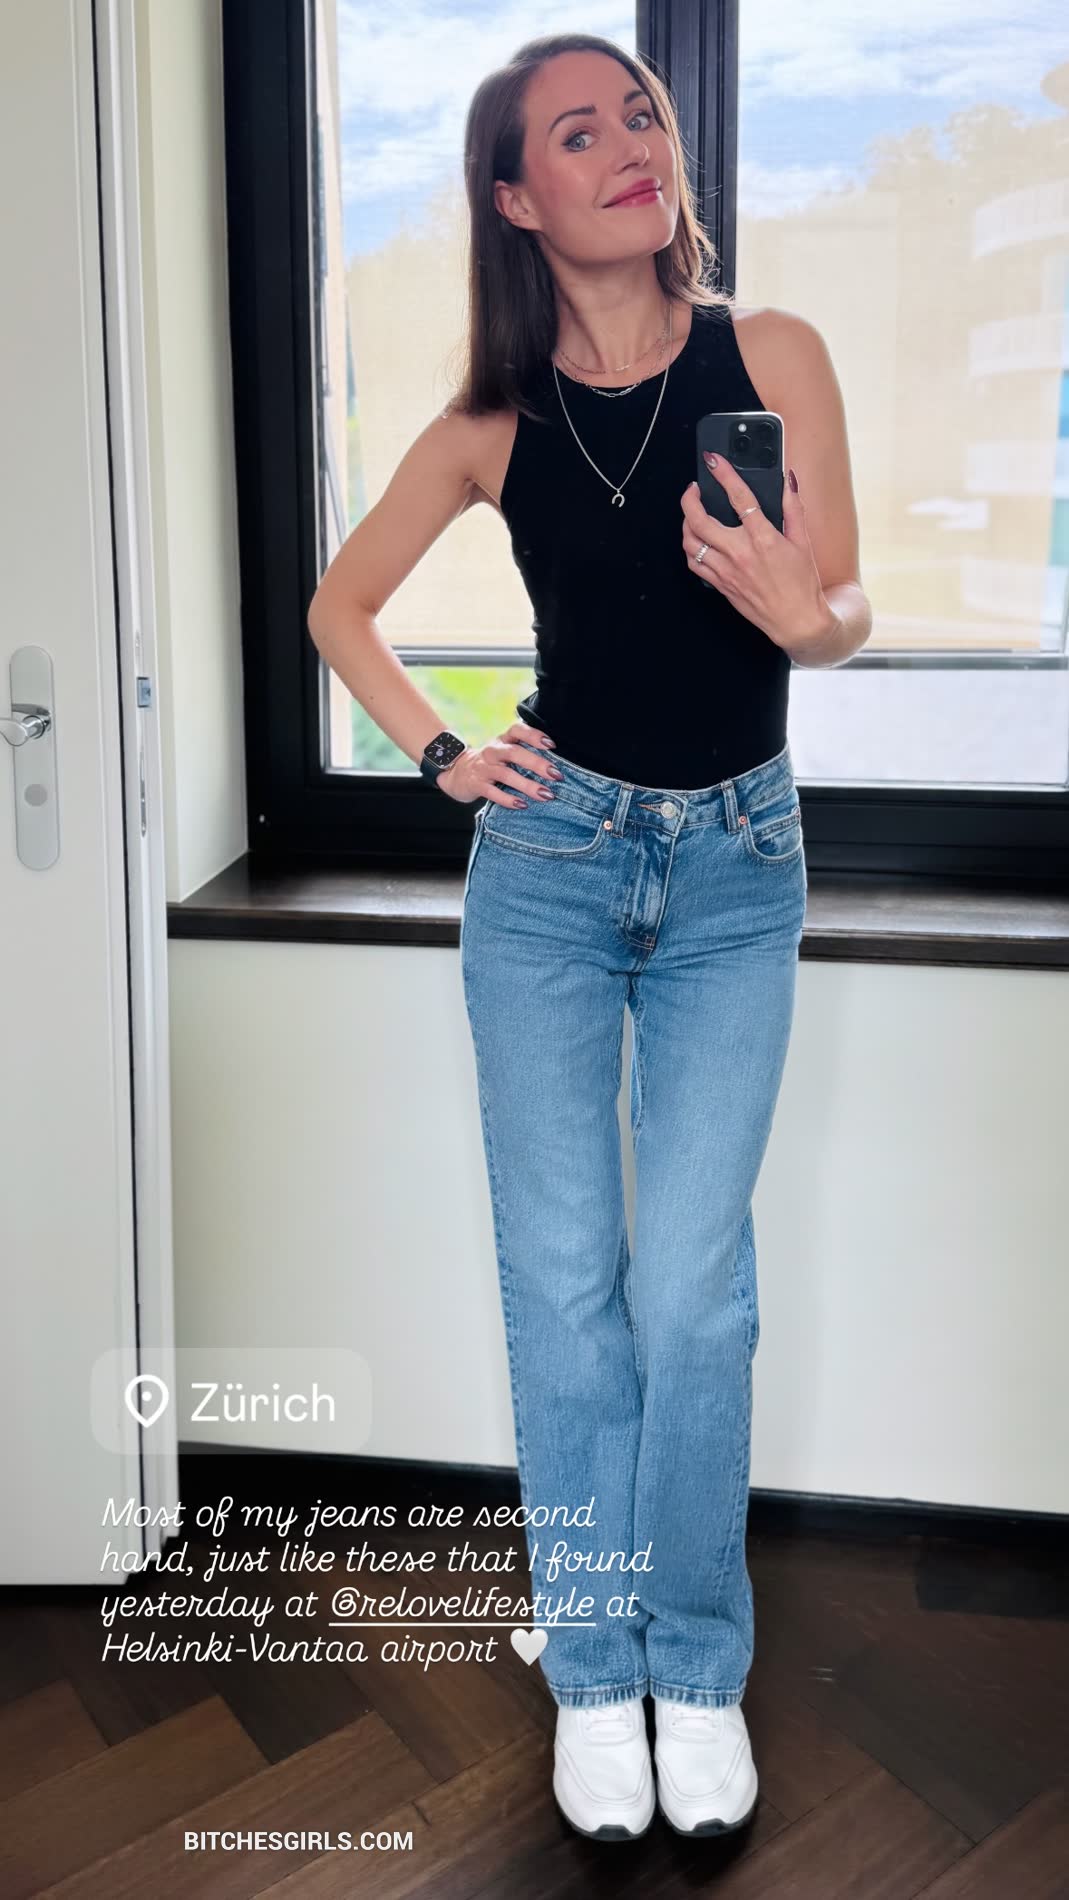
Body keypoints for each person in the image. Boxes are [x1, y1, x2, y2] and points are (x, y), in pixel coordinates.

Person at [308, 30, 869, 1848]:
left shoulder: (769, 356)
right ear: (511, 196)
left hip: (735, 869)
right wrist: (445, 751)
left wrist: (803, 610)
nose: (632, 143)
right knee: (561, 1292)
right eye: (577, 130)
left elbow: (841, 604)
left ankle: (691, 1671)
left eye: (642, 113)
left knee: (691, 1294)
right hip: (550, 874)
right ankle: (592, 1667)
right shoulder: (489, 419)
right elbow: (339, 607)